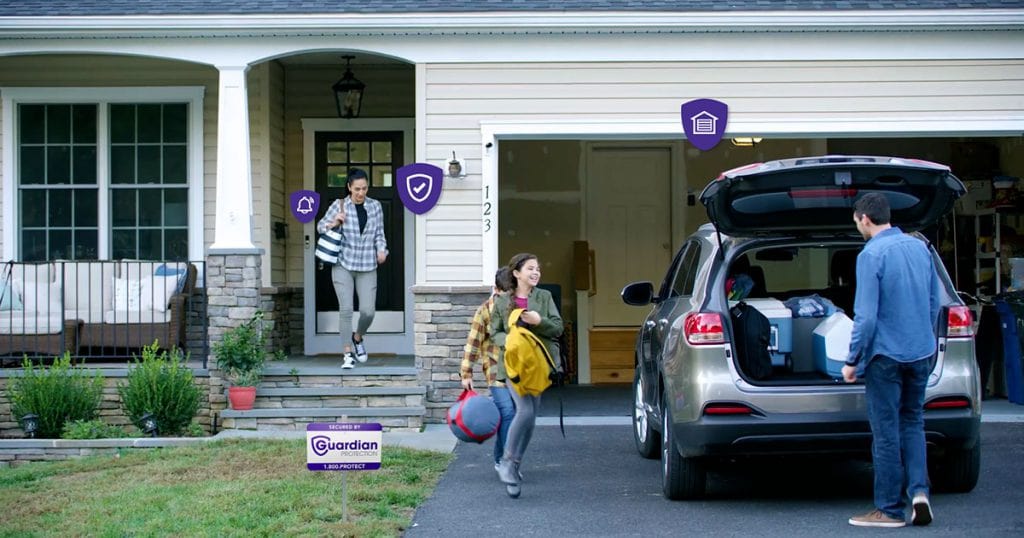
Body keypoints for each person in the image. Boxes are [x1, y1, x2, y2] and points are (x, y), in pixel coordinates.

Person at [842, 192, 939, 528]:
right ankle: (919, 493)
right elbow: (933, 304)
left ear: (864, 219)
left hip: (885, 357)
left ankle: (889, 510)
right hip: (921, 352)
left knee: (885, 433)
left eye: (856, 220)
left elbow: (865, 317)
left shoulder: (871, 255)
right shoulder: (919, 248)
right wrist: (926, 341)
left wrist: (852, 359)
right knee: (913, 423)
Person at [491, 253, 563, 497]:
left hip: (538, 365)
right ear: (516, 273)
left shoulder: (544, 297)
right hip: (514, 365)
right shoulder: (502, 301)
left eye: (538, 268)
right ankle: (507, 462)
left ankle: (515, 464)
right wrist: (510, 341)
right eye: (531, 268)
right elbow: (495, 333)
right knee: (525, 410)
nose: (536, 272)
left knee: (531, 417)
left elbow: (558, 327)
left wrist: (539, 320)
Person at [316, 168, 388, 369]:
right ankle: (347, 353)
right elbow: (320, 227)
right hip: (343, 264)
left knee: (368, 311)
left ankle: (358, 337)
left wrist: (382, 250)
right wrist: (334, 222)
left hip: (367, 265)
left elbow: (379, 234)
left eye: (364, 188)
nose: (361, 193)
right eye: (357, 189)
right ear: (349, 187)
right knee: (346, 309)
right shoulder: (339, 205)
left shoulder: (375, 206)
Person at [460, 267, 516, 474]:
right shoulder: (485, 310)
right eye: (504, 294)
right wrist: (466, 374)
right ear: (495, 289)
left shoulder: (519, 307)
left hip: (518, 370)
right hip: (495, 370)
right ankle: (503, 460)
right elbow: (472, 343)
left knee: (515, 414)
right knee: (508, 412)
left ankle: (508, 457)